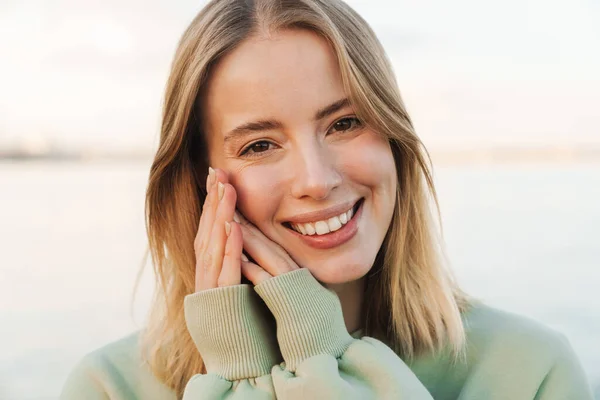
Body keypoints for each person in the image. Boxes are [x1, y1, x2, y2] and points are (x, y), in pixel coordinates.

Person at [60, 0, 594, 399]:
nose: (316, 179)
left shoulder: (532, 372)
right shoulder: (107, 387)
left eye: (345, 123)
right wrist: (238, 376)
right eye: (260, 145)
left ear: (393, 138)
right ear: (199, 181)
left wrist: (324, 361)